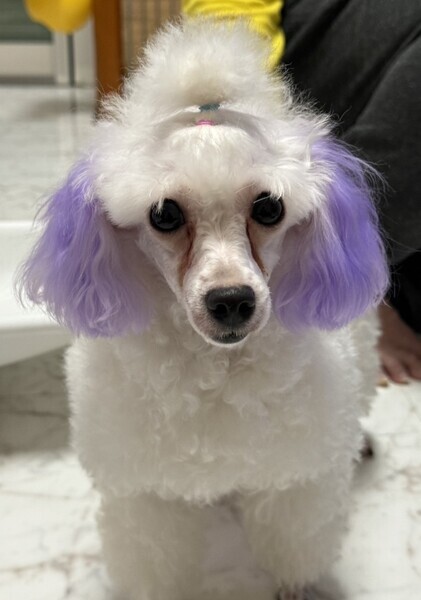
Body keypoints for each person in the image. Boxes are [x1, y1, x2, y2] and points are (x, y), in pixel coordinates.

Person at [182, 0, 421, 384]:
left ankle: (361, 280)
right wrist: (242, 113)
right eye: (169, 218)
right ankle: (369, 294)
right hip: (285, 48)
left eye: (266, 210)